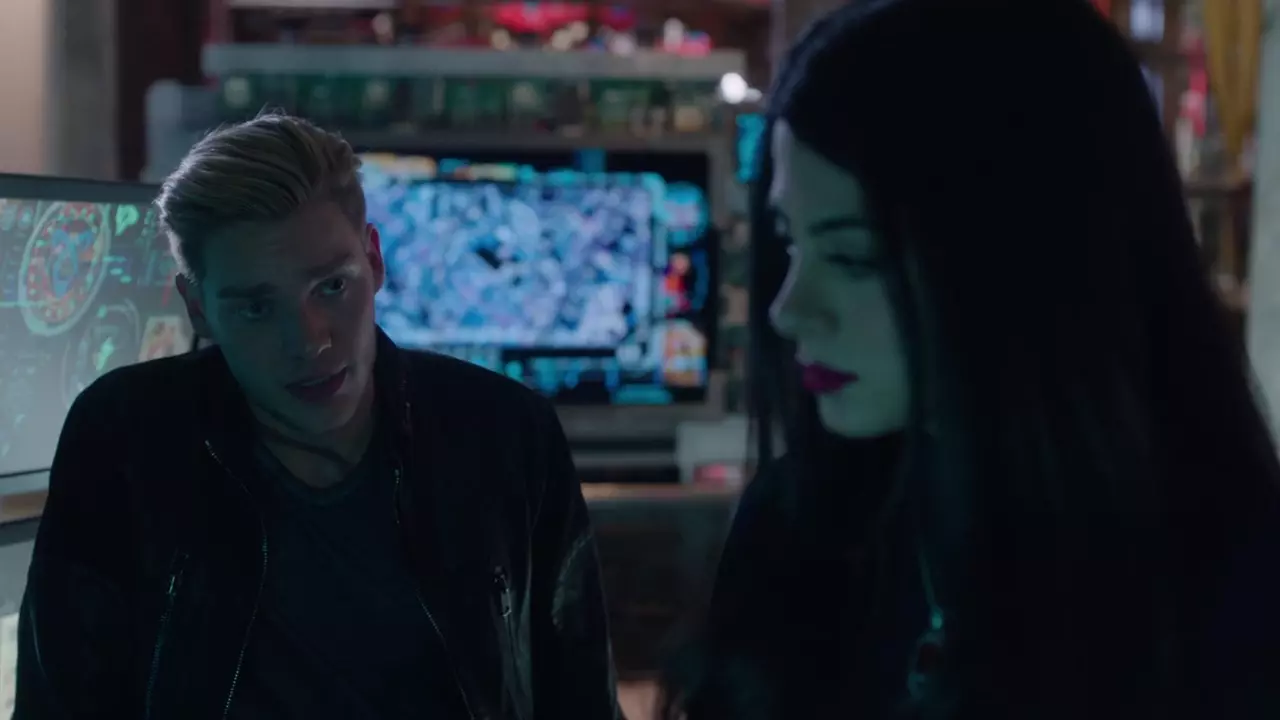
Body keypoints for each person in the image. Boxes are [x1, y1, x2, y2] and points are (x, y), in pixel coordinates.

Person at [661, 1, 1280, 717]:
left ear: (1019, 262)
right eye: (790, 242)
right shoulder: (795, 530)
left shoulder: (1231, 593)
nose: (789, 309)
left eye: (853, 255)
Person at [16, 113, 620, 719]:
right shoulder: (126, 436)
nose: (309, 342)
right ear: (197, 309)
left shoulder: (505, 432)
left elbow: (581, 698)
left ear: (374, 261)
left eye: (332, 287)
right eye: (256, 308)